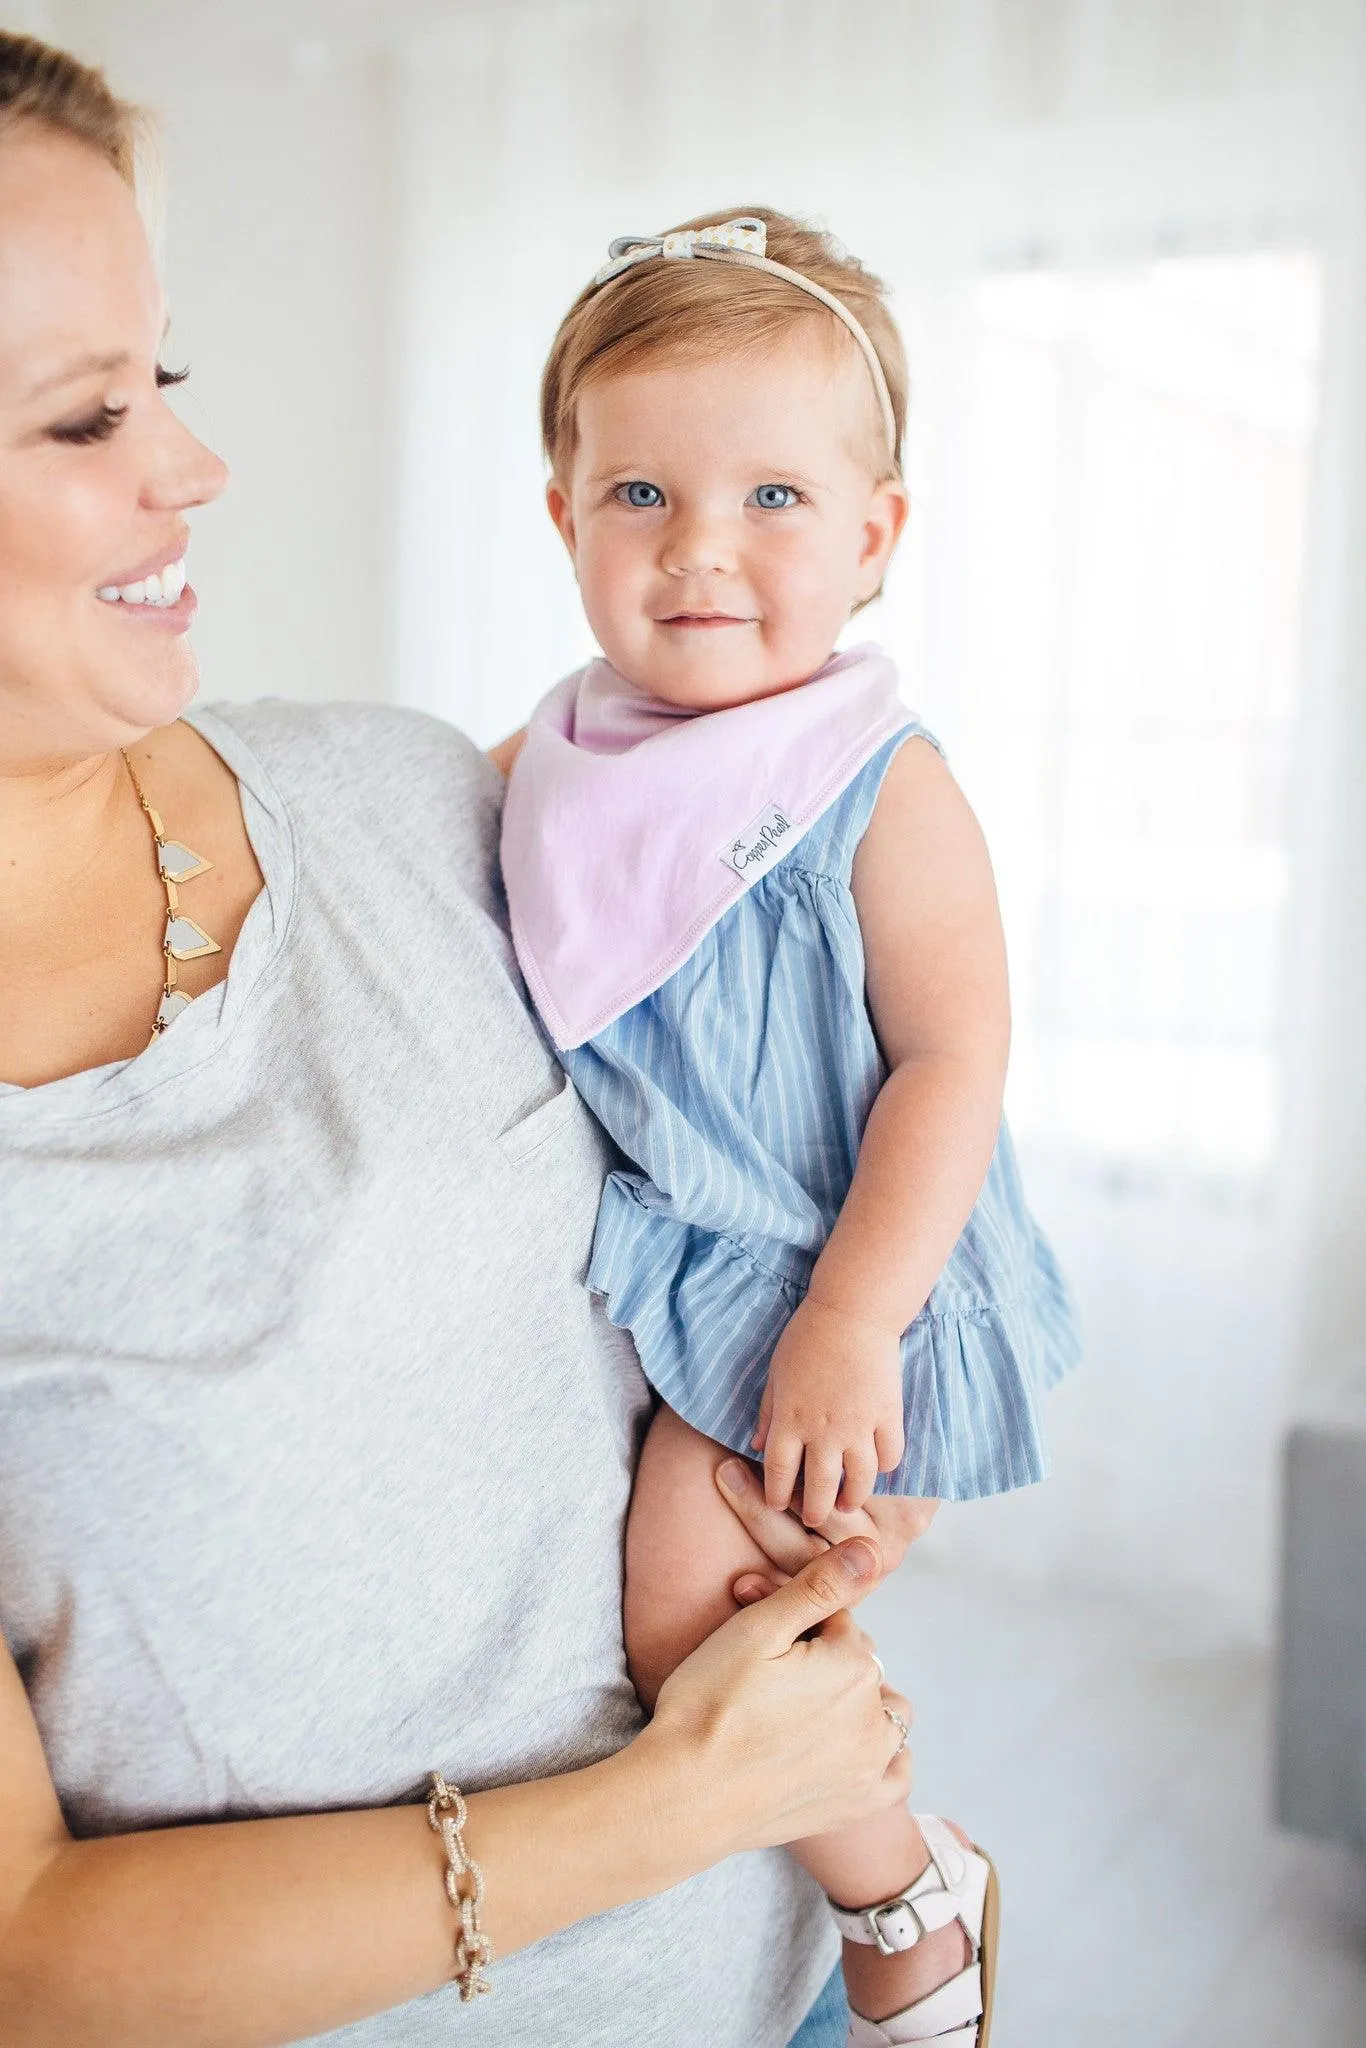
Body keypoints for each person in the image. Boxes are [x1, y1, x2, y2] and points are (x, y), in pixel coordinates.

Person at [0, 38, 918, 2048]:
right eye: (82, 418)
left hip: (788, 1987)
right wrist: (676, 1798)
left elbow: (725, 1199)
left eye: (171, 381)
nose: (189, 469)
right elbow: (24, 1954)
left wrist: (805, 1452)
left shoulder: (428, 803)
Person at [497, 208, 1082, 2046]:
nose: (698, 554)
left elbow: (951, 1068)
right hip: (703, 1255)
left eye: (770, 499)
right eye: (641, 495)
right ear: (564, 515)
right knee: (733, 1614)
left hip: (861, 1277)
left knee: (692, 1605)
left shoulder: (870, 778)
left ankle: (904, 1901)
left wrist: (851, 1325)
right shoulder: (558, 762)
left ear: (871, 536)